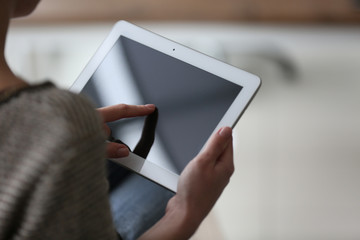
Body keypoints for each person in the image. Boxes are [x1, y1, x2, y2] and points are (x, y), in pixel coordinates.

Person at [0, 0, 235, 239]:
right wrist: (187, 212)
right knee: (168, 182)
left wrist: (68, 139)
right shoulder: (58, 116)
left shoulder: (51, 120)